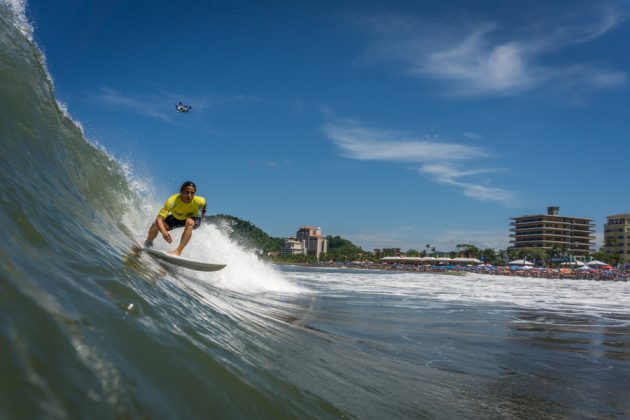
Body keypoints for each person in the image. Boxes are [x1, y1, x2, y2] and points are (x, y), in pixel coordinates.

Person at [144, 181, 206, 256]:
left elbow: (204, 204)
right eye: (187, 192)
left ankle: (178, 251)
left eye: (192, 193)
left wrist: (203, 213)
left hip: (193, 219)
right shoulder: (172, 201)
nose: (189, 195)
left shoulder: (199, 201)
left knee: (189, 222)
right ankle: (148, 242)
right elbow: (159, 218)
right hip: (176, 218)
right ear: (181, 192)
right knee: (156, 224)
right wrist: (164, 232)